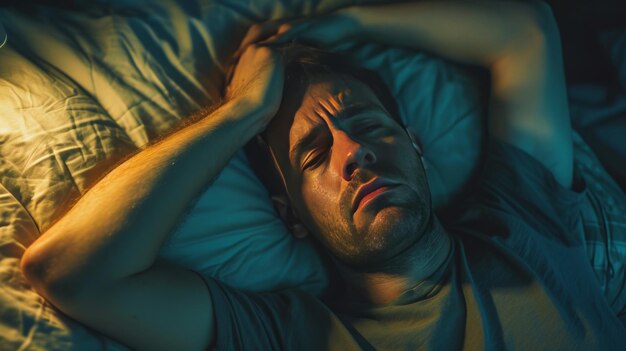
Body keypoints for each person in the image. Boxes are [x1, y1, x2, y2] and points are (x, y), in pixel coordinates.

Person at [19, 1, 626, 350]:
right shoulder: (290, 335)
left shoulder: (524, 220)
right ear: (290, 216)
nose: (354, 152)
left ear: (416, 146)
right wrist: (241, 114)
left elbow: (526, 30)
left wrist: (349, 24)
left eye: (369, 125)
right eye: (313, 156)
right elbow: (72, 273)